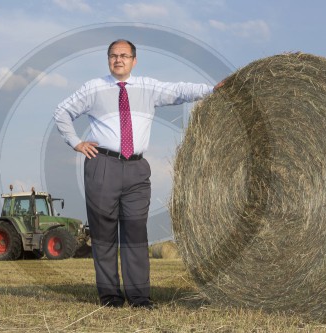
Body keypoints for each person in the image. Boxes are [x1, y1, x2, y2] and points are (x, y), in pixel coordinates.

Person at [54, 39, 223, 309]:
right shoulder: (94, 88)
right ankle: (110, 297)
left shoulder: (148, 87)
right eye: (113, 56)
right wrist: (76, 142)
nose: (118, 60)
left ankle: (140, 298)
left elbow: (178, 90)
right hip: (102, 165)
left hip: (137, 168)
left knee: (135, 232)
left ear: (134, 60)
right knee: (104, 234)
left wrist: (211, 90)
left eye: (124, 55)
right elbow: (61, 112)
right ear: (108, 60)